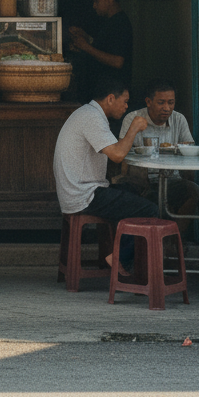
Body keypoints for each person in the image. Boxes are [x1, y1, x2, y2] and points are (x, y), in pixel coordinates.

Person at [52, 78, 159, 275]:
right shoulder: (92, 117)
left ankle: (120, 254)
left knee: (133, 193)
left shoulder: (88, 113)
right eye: (125, 101)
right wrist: (133, 128)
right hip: (84, 194)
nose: (126, 107)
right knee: (151, 209)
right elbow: (118, 155)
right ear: (111, 98)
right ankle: (121, 258)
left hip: (79, 191)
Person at [116, 78, 199, 232]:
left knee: (194, 192)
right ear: (148, 102)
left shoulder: (179, 119)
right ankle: (155, 243)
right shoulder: (133, 118)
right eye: (161, 102)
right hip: (142, 181)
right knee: (152, 202)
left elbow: (189, 149)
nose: (167, 108)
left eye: (171, 102)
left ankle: (175, 240)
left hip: (172, 179)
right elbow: (122, 153)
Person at [68, 0, 134, 106]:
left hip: (113, 95)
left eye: (96, 1)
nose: (94, 6)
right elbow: (105, 47)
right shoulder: (107, 22)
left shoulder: (121, 24)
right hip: (101, 93)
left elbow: (117, 61)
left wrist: (86, 47)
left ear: (109, 0)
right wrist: (86, 37)